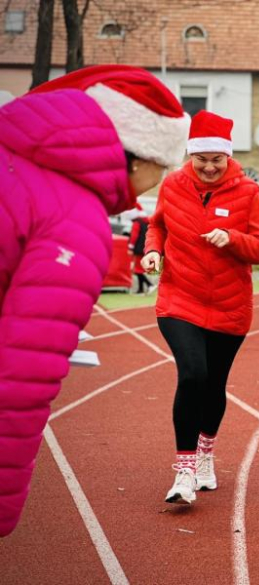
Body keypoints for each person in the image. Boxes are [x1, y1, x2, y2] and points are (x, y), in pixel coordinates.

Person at [0, 65, 189, 537]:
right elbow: (22, 375)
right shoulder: (75, 220)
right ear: (138, 157)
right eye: (161, 167)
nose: (158, 182)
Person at [141, 111, 259, 505]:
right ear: (191, 155)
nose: (211, 167)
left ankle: (205, 454)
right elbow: (158, 225)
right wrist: (152, 252)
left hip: (230, 305)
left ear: (228, 157)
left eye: (218, 159)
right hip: (179, 297)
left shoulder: (247, 192)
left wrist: (232, 238)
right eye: (203, 159)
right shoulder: (173, 185)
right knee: (193, 374)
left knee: (214, 385)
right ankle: (183, 469)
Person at [127, 203, 154, 294]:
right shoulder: (146, 222)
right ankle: (141, 289)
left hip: (138, 248)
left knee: (137, 270)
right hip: (145, 247)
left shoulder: (136, 223)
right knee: (139, 269)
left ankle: (149, 284)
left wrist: (130, 247)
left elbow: (134, 236)